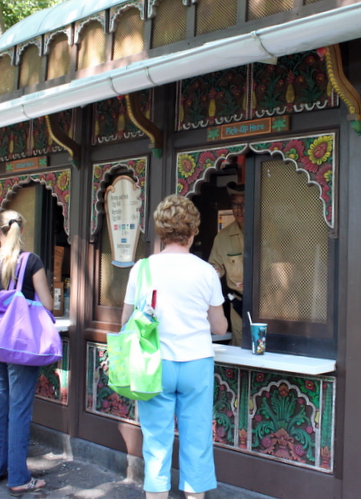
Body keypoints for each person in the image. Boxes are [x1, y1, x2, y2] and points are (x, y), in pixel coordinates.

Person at [120, 194, 228, 499]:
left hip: (155, 364)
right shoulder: (206, 271)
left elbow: (125, 322)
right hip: (196, 363)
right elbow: (219, 327)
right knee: (197, 440)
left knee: (156, 442)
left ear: (161, 231)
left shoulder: (142, 269)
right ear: (193, 231)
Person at [0, 210, 53, 495]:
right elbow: (47, 304)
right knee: (19, 408)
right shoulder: (31, 261)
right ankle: (19, 477)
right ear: (21, 231)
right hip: (21, 341)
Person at [208, 182, 244, 346]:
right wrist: (213, 274)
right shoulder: (223, 237)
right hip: (239, 303)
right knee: (240, 346)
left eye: (244, 204)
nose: (239, 209)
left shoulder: (268, 232)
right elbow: (215, 267)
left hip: (267, 304)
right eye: (235, 204)